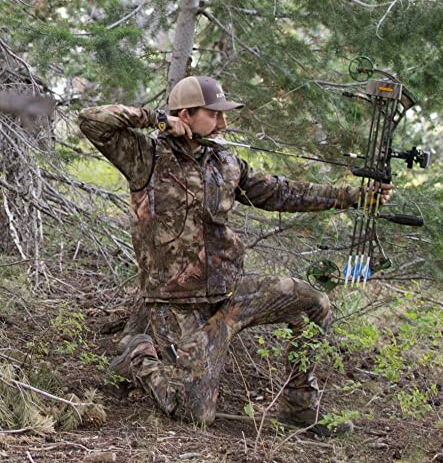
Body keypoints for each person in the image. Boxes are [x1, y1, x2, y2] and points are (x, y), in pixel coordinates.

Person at [78, 75, 392, 436]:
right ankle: (138, 352)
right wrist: (157, 119)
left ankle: (299, 410)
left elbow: (282, 193)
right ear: (186, 114)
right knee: (195, 414)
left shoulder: (225, 162)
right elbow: (91, 119)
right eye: (214, 115)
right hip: (178, 305)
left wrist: (353, 196)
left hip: (231, 292)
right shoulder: (144, 156)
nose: (223, 124)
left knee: (313, 303)